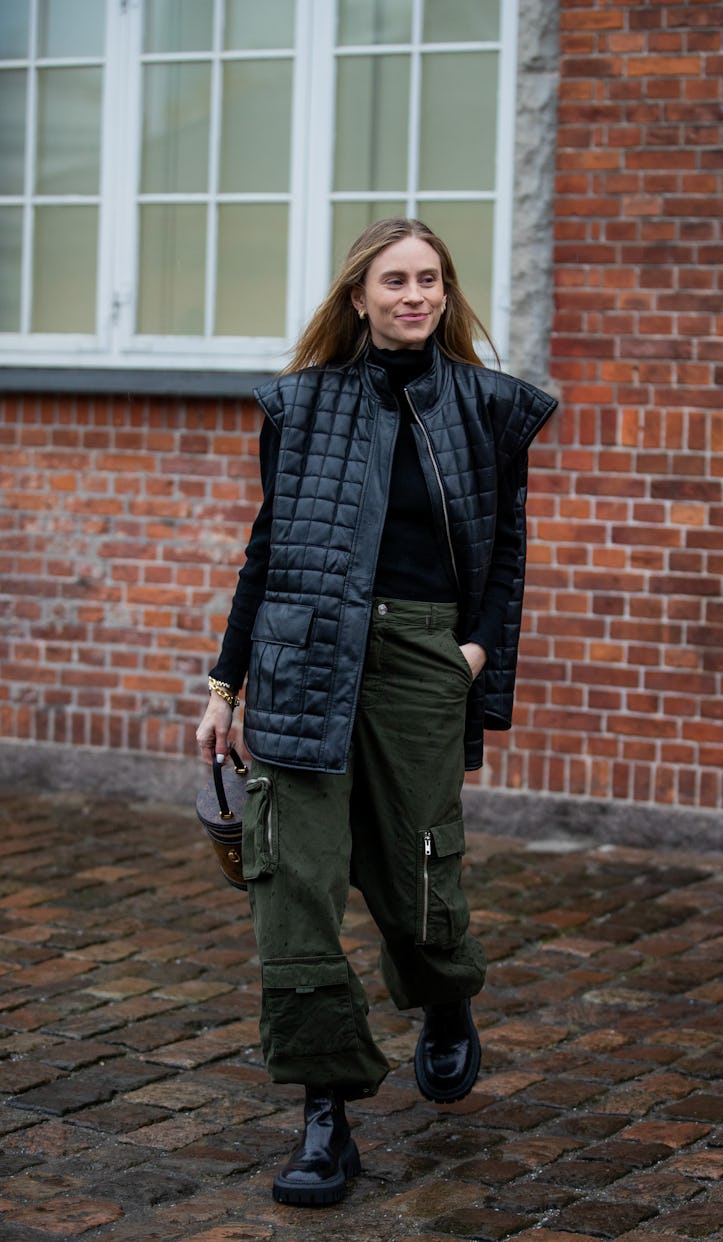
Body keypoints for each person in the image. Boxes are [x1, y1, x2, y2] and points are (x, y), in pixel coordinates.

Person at [195, 217, 557, 1207]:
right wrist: (226, 686)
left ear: (446, 292)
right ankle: (326, 1114)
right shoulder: (301, 406)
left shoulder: (490, 408)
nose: (414, 295)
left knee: (417, 873)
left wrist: (473, 655)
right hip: (304, 655)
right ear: (359, 295)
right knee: (294, 888)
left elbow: (508, 552)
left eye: (429, 279)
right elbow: (268, 550)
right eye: (394, 280)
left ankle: (445, 995)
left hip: (419, 656)